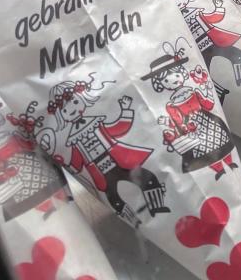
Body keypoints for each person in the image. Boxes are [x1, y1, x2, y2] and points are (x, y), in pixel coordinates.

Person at [47, 76, 168, 226]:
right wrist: (58, 156)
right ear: (60, 116)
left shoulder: (96, 123)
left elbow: (118, 128)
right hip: (99, 172)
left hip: (119, 161)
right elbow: (76, 163)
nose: (71, 109)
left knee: (148, 178)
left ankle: (158, 207)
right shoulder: (72, 139)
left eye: (75, 102)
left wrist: (125, 110)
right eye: (65, 109)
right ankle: (135, 221)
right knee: (114, 199)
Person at [0, 92, 67, 221]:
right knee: (28, 193)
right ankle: (46, 208)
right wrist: (5, 171)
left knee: (47, 181)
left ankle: (61, 198)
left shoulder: (12, 136)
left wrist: (30, 143)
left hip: (31, 162)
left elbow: (27, 145)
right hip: (15, 170)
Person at [142, 41, 237, 180]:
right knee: (203, 151)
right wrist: (184, 127)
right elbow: (176, 118)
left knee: (221, 141)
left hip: (207, 119)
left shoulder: (192, 91)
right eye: (166, 80)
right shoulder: (171, 104)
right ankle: (219, 169)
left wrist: (206, 90)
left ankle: (230, 163)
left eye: (175, 75)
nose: (172, 80)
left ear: (182, 73)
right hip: (191, 126)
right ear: (160, 84)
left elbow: (207, 104)